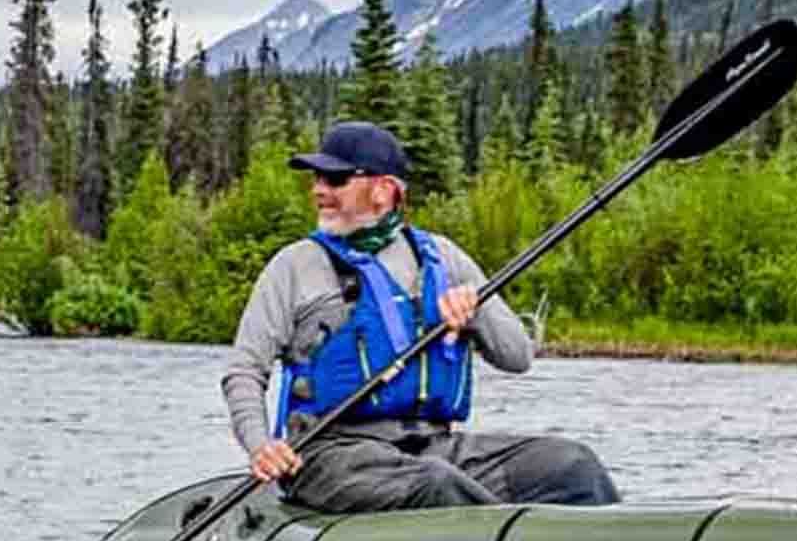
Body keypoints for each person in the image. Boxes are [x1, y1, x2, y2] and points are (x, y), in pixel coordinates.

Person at [220, 121, 619, 513]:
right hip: (330, 455)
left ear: (384, 190)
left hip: (435, 445)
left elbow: (518, 357)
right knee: (436, 484)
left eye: (335, 179)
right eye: (317, 178)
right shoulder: (293, 266)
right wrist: (261, 445)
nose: (319, 189)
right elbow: (244, 371)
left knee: (573, 466)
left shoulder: (443, 258)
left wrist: (475, 309)